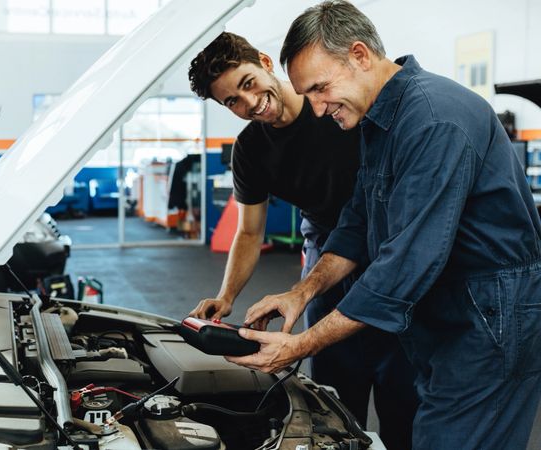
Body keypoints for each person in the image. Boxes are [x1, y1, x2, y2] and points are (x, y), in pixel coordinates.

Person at [230, 2, 541, 449]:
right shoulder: (380, 121)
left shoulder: (433, 120)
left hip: (490, 314)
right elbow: (357, 223)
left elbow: (404, 265)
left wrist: (301, 346)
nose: (316, 109)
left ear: (359, 55)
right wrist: (301, 292)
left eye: (320, 88)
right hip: (447, 309)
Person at [186, 32, 417, 449]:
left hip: (386, 239)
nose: (249, 101)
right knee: (332, 389)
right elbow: (250, 231)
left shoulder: (332, 103)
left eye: (247, 82)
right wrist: (227, 296)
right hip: (325, 248)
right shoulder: (251, 150)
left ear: (264, 62)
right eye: (232, 101)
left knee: (400, 381)